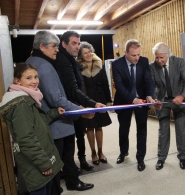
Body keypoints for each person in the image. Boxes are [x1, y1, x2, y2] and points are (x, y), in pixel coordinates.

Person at [26, 30, 94, 193]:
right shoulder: (44, 66)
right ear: (42, 46)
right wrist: (80, 110)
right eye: (54, 46)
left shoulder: (32, 60)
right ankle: (67, 184)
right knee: (62, 157)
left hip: (48, 122)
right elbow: (56, 99)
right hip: (58, 124)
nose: (57, 49)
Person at [0, 63, 64, 194]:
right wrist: (43, 163)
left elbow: (37, 124)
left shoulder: (27, 99)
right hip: (36, 163)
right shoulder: (21, 104)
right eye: (28, 78)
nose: (34, 81)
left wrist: (54, 113)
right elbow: (25, 138)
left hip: (39, 158)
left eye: (36, 77)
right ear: (17, 81)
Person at [53, 31, 106, 172]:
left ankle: (82, 160)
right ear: (63, 44)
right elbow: (72, 88)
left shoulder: (71, 60)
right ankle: (70, 170)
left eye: (78, 43)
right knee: (71, 139)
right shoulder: (64, 62)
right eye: (74, 43)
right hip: (73, 105)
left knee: (80, 135)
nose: (77, 47)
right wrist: (91, 104)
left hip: (80, 102)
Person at [112, 39, 155, 171]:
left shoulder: (144, 61)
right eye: (133, 55)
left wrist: (149, 95)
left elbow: (148, 80)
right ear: (125, 53)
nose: (137, 58)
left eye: (138, 54)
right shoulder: (116, 64)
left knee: (142, 130)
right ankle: (123, 152)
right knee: (124, 129)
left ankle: (140, 158)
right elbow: (119, 86)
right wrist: (132, 99)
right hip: (124, 101)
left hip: (142, 101)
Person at [149, 42, 185, 170]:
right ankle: (161, 158)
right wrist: (154, 98)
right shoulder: (152, 66)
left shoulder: (179, 62)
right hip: (163, 101)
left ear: (168, 55)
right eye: (156, 57)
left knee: (180, 130)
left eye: (161, 57)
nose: (159, 60)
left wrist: (182, 96)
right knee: (163, 131)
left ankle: (182, 157)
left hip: (179, 100)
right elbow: (151, 86)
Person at [77, 41, 112, 165]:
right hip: (87, 100)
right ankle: (93, 152)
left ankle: (101, 151)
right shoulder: (78, 67)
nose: (88, 55)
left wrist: (108, 100)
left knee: (99, 126)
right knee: (90, 127)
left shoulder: (99, 64)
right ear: (81, 55)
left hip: (100, 99)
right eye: (85, 53)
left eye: (89, 52)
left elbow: (105, 84)